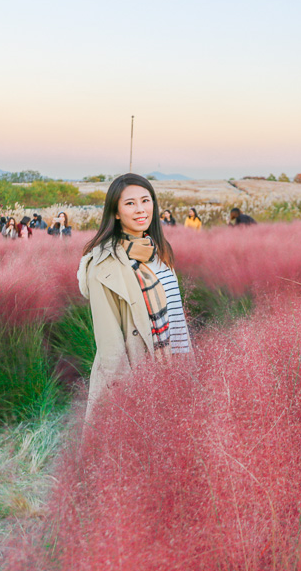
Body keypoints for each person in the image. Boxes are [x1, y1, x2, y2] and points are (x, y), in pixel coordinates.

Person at [78, 173, 191, 419]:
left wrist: (186, 370)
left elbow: (176, 316)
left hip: (174, 366)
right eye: (130, 203)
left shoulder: (158, 249)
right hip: (137, 378)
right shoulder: (104, 265)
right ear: (116, 212)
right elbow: (110, 344)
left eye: (145, 200)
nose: (140, 209)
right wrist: (130, 396)